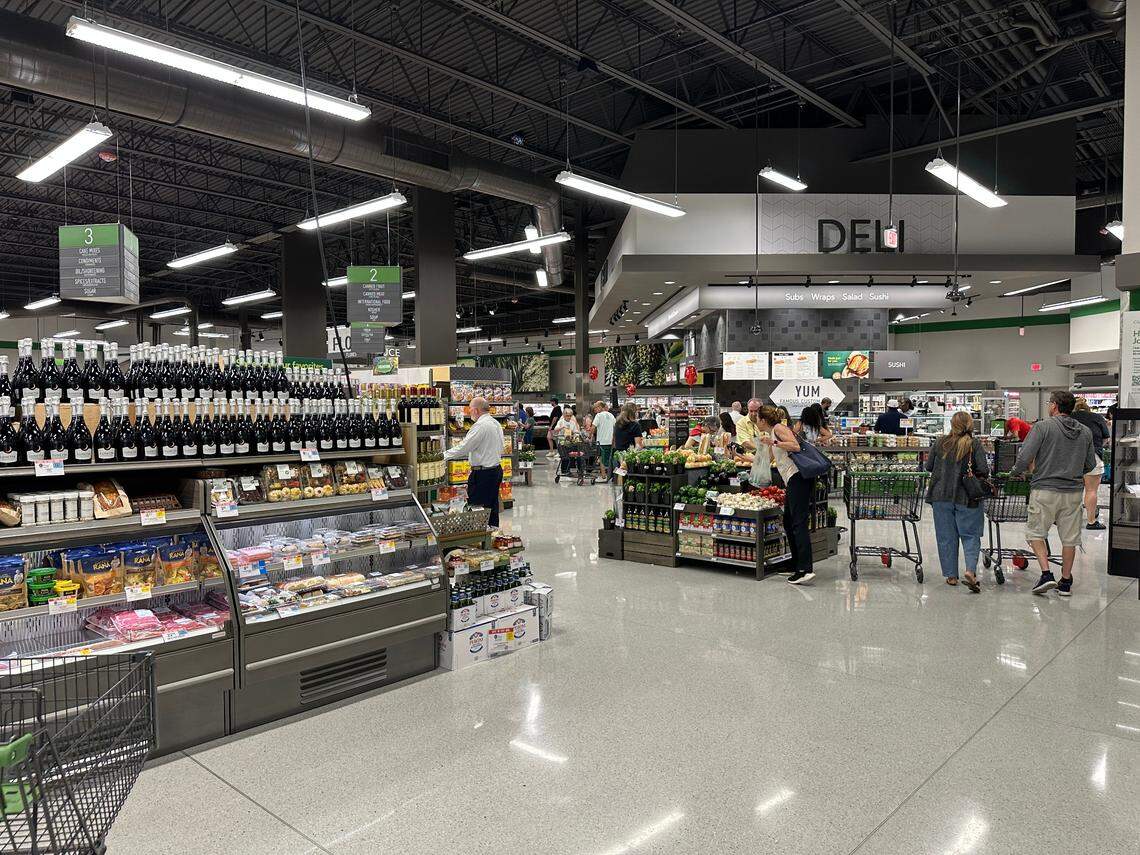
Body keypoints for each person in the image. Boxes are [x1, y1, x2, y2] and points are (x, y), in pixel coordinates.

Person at [1009, 390, 1097, 596]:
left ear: (1055, 406)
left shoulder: (1042, 427)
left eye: (1050, 403)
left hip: (1044, 489)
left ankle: (1046, 574)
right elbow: (1091, 464)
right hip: (1073, 492)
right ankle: (1065, 581)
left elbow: (1024, 457)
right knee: (1070, 538)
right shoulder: (1085, 432)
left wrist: (1015, 473)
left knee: (1035, 533)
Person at [924, 411, 989, 592]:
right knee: (970, 535)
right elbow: (983, 470)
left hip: (940, 496)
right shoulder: (974, 444)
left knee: (946, 536)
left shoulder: (940, 442)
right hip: (967, 497)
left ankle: (951, 576)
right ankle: (970, 571)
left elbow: (929, 466)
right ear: (970, 425)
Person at [752, 405, 816, 585]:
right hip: (793, 480)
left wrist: (772, 443)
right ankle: (794, 564)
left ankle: (805, 569)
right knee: (788, 521)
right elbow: (768, 460)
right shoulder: (772, 433)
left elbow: (795, 446)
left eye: (757, 418)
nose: (755, 421)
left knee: (798, 522)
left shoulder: (779, 428)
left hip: (799, 478)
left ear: (763, 420)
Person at [444, 397, 505, 526]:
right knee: (492, 507)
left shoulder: (480, 426)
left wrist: (443, 456)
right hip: (495, 470)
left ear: (476, 410)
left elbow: (464, 447)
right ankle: (492, 535)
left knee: (478, 508)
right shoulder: (495, 423)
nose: (469, 412)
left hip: (483, 474)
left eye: (470, 409)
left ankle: (479, 537)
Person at [1072, 397, 1110, 530]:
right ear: (1087, 407)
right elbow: (1106, 438)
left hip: (1070, 458)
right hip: (1092, 456)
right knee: (1091, 490)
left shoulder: (1068, 418)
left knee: (1071, 490)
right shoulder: (1097, 417)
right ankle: (1091, 521)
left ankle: (1067, 520)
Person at [592, 401, 616, 480]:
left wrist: (589, 436)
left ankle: (603, 476)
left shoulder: (598, 415)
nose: (595, 409)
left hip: (601, 442)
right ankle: (611, 475)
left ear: (600, 407)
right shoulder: (611, 415)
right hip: (610, 442)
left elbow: (593, 427)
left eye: (595, 407)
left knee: (602, 458)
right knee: (610, 458)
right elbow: (615, 428)